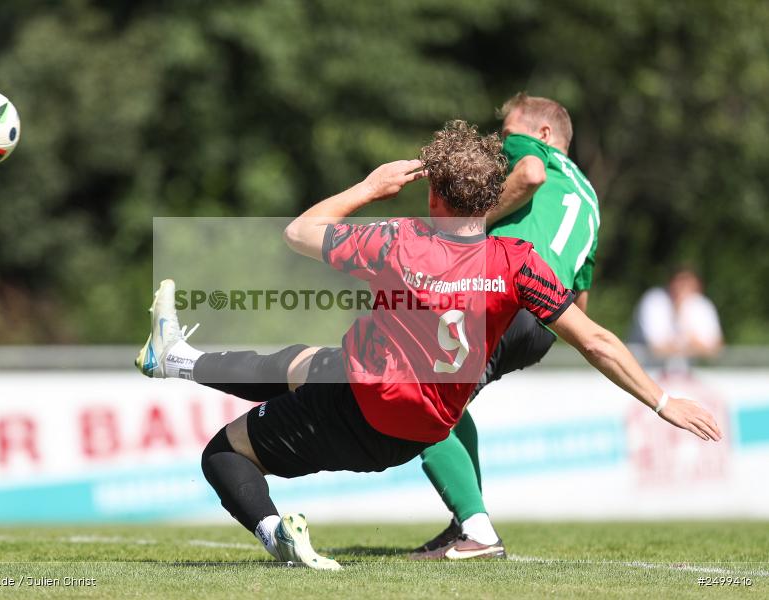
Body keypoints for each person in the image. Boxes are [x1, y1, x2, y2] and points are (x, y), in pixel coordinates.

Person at [135, 121, 721, 570]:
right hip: (415, 430)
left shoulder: (401, 240)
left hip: (359, 407)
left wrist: (369, 187)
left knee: (222, 453)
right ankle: (177, 359)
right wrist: (663, 402)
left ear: (434, 197)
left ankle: (275, 536)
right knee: (302, 362)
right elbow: (595, 340)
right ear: (492, 193)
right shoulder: (516, 262)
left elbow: (298, 232)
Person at [412, 93, 601, 560]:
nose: (503, 143)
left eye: (510, 133)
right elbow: (581, 296)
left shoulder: (535, 157)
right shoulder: (590, 200)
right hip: (545, 322)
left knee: (420, 401)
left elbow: (530, 175)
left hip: (506, 297)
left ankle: (477, 532)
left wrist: (467, 225)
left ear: (543, 135)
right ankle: (466, 520)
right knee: (450, 403)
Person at [629, 266, 723, 372]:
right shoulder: (654, 301)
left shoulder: (701, 304)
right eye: (680, 282)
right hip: (647, 371)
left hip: (688, 374)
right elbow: (657, 349)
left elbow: (716, 349)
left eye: (687, 283)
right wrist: (694, 347)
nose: (682, 288)